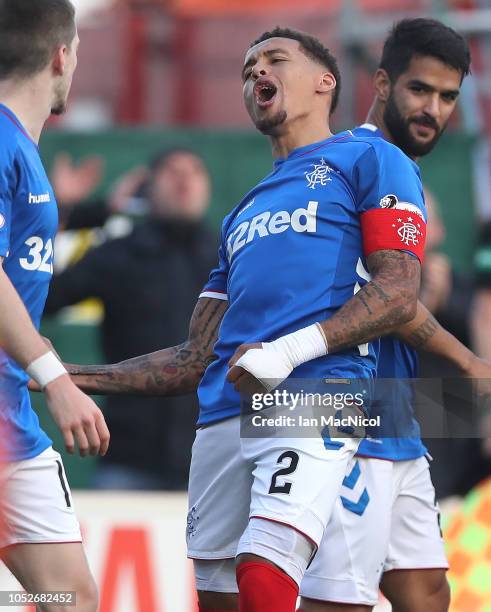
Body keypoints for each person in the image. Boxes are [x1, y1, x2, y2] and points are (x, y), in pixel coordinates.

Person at [44, 27, 428, 612]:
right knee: (220, 599)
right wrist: (68, 375)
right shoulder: (242, 212)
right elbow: (194, 357)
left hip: (319, 394)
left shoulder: (371, 158)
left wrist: (289, 352)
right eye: (248, 69)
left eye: (274, 61)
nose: (256, 74)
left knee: (264, 568)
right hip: (223, 413)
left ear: (327, 82)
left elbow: (399, 292)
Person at [298, 18, 474, 612]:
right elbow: (389, 300)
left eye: (448, 97)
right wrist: (470, 360)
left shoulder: (394, 166)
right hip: (339, 408)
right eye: (419, 90)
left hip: (392, 408)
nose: (434, 109)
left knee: (426, 592)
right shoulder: (365, 159)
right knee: (338, 602)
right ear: (380, 82)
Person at [0, 1, 110, 610]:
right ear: (61, 55)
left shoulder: (21, 150)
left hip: (13, 420)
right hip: (21, 402)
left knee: (68, 600)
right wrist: (56, 376)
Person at [45, 148, 217, 489]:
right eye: (172, 171)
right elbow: (37, 299)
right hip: (128, 457)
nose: (184, 180)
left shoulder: (227, 256)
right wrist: (63, 213)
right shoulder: (118, 254)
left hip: (212, 457)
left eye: (195, 171)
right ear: (147, 187)